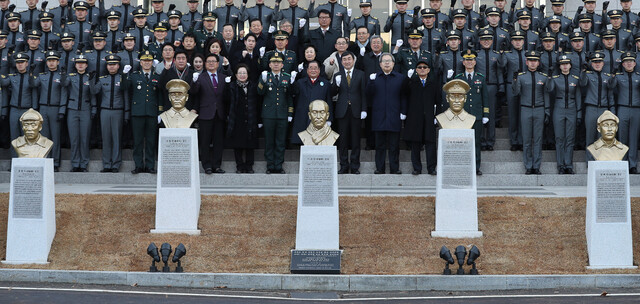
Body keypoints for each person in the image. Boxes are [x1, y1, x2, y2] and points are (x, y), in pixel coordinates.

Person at [367, 53, 406, 174]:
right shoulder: (375, 77)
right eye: (384, 61)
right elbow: (368, 94)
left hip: (394, 115)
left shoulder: (400, 78)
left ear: (394, 63)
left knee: (394, 145)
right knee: (379, 145)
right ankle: (380, 168)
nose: (387, 63)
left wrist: (403, 111)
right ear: (380, 64)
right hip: (379, 116)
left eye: (389, 61)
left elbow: (404, 96)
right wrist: (371, 82)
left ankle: (394, 168)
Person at [191, 53, 229, 174]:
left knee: (219, 141)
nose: (211, 63)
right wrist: (194, 81)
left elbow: (227, 96)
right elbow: (193, 92)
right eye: (208, 61)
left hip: (220, 113)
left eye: (213, 61)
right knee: (205, 141)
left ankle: (217, 165)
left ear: (218, 64)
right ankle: (206, 165)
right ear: (205, 64)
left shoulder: (224, 77)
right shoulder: (200, 77)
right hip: (205, 113)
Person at [91, 54, 129, 173]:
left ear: (118, 66)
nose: (111, 67)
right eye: (109, 65)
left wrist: (126, 113)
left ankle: (116, 164)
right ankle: (107, 164)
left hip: (118, 111)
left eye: (114, 65)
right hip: (105, 111)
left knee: (116, 138)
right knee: (106, 138)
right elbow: (94, 91)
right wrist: (92, 80)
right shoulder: (103, 79)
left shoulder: (122, 78)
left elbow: (126, 97)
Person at [513, 50, 549, 175]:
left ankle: (537, 166)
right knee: (527, 139)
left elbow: (547, 95)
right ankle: (528, 166)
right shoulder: (521, 76)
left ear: (538, 63)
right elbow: (516, 93)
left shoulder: (543, 77)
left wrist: (547, 111)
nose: (533, 63)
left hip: (539, 109)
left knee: (538, 140)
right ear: (526, 62)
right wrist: (514, 80)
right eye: (530, 61)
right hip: (526, 108)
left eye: (535, 61)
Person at [124, 50, 160, 174]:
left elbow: (160, 95)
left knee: (151, 141)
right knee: (138, 141)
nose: (147, 63)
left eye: (149, 61)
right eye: (144, 60)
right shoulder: (134, 76)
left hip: (152, 113)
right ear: (140, 62)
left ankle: (150, 165)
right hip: (137, 112)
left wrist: (159, 112)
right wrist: (124, 75)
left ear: (152, 62)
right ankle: (138, 165)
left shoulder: (157, 76)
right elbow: (124, 88)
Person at [403, 56, 440, 176]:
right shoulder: (411, 82)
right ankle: (417, 168)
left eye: (425, 67)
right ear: (416, 70)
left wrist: (437, 116)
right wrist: (407, 78)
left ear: (429, 70)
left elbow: (439, 101)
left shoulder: (433, 83)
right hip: (415, 118)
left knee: (430, 144)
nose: (422, 69)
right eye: (419, 67)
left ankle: (431, 168)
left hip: (429, 117)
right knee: (415, 144)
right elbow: (402, 93)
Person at [257, 52, 293, 174]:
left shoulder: (287, 77)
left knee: (280, 141)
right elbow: (259, 93)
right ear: (270, 64)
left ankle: (279, 165)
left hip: (282, 114)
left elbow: (289, 97)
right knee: (269, 141)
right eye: (273, 62)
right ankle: (270, 165)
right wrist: (262, 81)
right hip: (268, 114)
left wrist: (290, 113)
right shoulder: (265, 76)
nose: (276, 64)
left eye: (278, 62)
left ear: (282, 64)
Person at [455, 50, 489, 175]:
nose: (469, 62)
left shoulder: (480, 78)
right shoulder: (458, 78)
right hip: (462, 115)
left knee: (476, 142)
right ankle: (462, 167)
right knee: (461, 142)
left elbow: (485, 97)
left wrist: (485, 114)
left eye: (471, 60)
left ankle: (475, 167)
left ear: (475, 62)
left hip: (476, 115)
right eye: (467, 60)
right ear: (463, 62)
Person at [60, 54, 95, 172]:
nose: (80, 65)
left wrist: (94, 109)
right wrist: (63, 75)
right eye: (78, 63)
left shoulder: (89, 77)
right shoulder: (71, 76)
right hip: (72, 109)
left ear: (86, 65)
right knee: (74, 138)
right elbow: (64, 84)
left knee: (84, 138)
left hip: (86, 109)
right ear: (75, 65)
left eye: (83, 63)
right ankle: (75, 163)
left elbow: (93, 94)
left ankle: (84, 164)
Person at [546, 55, 581, 174]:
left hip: (572, 108)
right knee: (559, 138)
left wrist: (579, 113)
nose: (565, 66)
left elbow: (578, 96)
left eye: (567, 64)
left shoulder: (575, 79)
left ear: (570, 65)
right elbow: (550, 89)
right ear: (559, 66)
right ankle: (560, 165)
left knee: (570, 139)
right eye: (562, 64)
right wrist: (549, 77)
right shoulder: (555, 78)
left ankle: (568, 164)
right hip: (558, 108)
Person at [32, 50, 66, 171]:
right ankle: (45, 160)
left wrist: (62, 110)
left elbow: (63, 93)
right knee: (44, 137)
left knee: (55, 136)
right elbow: (33, 86)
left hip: (55, 108)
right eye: (49, 61)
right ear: (46, 63)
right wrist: (31, 73)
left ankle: (55, 162)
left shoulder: (61, 76)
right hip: (43, 108)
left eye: (54, 61)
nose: (51, 63)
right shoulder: (42, 76)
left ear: (58, 62)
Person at [332, 51, 365, 174]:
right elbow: (332, 93)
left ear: (353, 60)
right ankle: (344, 165)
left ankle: (355, 166)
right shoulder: (337, 75)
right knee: (343, 140)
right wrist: (336, 85)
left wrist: (364, 109)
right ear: (341, 62)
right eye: (344, 60)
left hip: (356, 110)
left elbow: (363, 94)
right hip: (342, 111)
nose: (347, 61)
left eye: (349, 59)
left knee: (356, 140)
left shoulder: (361, 74)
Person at [1, 53, 38, 158]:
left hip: (27, 111)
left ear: (27, 63)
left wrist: (34, 110)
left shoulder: (31, 77)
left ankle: (26, 160)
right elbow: (3, 83)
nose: (20, 65)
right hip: (14, 110)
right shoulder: (12, 77)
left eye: (22, 62)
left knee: (28, 136)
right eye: (18, 62)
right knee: (14, 137)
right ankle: (15, 161)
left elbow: (34, 94)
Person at [610, 52, 640, 173]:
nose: (629, 63)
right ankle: (622, 163)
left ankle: (632, 164)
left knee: (633, 137)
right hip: (622, 108)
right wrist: (613, 75)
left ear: (635, 63)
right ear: (622, 64)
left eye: (631, 61)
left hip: (636, 109)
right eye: (626, 62)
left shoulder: (638, 76)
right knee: (622, 137)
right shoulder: (618, 76)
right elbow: (611, 87)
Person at [227, 64, 259, 174]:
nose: (242, 75)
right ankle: (239, 166)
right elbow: (227, 101)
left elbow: (257, 103)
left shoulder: (253, 86)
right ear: (235, 75)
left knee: (250, 143)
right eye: (239, 73)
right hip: (236, 118)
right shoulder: (231, 86)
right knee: (237, 143)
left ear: (248, 74)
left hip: (250, 117)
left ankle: (249, 166)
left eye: (244, 73)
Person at [498, 30, 527, 151]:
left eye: (520, 40)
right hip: (511, 85)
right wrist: (501, 53)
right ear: (512, 42)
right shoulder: (508, 54)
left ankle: (522, 140)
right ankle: (514, 140)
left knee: (523, 115)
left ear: (523, 41)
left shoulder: (528, 54)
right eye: (515, 40)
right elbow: (501, 65)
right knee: (513, 115)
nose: (518, 42)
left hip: (526, 86)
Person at [291, 60, 331, 145]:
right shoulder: (300, 82)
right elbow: (293, 93)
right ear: (307, 70)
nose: (313, 70)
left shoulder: (326, 83)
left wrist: (329, 119)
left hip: (319, 117)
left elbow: (328, 102)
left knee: (319, 142)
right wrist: (292, 82)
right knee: (304, 140)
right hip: (303, 116)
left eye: (315, 68)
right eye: (311, 68)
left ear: (319, 70)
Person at [580, 52, 615, 148]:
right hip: (591, 108)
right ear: (591, 64)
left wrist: (612, 111)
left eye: (599, 62)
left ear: (603, 63)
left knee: (603, 137)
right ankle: (589, 162)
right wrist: (583, 70)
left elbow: (610, 94)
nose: (597, 64)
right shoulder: (588, 75)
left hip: (604, 109)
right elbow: (582, 83)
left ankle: (601, 162)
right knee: (590, 137)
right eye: (595, 62)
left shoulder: (607, 77)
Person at [475, 28, 502, 152]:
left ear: (492, 41)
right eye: (483, 40)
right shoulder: (476, 55)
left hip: (492, 86)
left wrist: (500, 86)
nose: (486, 42)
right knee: (479, 114)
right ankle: (480, 140)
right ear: (480, 41)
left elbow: (500, 72)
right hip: (478, 86)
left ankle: (490, 141)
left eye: (488, 39)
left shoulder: (497, 55)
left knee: (490, 114)